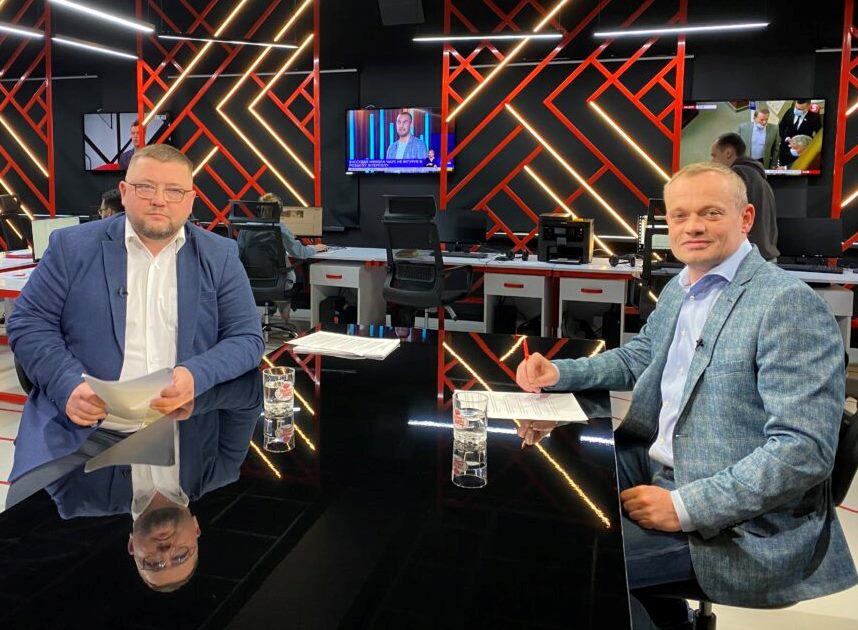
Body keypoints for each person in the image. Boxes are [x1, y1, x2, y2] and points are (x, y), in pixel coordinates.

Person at [516, 162, 856, 628]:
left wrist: (685, 507)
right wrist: (559, 372)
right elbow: (640, 357)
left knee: (566, 563)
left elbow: (803, 451)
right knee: (541, 499)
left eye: (710, 213)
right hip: (653, 461)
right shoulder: (683, 285)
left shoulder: (786, 304)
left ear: (746, 218)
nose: (692, 226)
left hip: (739, 523)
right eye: (679, 215)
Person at [8, 144, 264, 479]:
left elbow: (246, 338)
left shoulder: (220, 255)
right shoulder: (71, 247)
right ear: (125, 192)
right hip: (82, 433)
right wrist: (66, 384)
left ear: (190, 200)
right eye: (146, 187)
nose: (159, 200)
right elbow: (29, 323)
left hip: (184, 426)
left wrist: (195, 375)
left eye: (174, 190)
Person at [236, 192, 328, 324]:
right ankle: (285, 321)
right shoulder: (279, 227)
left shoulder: (246, 227)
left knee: (277, 269)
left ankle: (272, 309)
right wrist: (316, 248)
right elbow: (300, 253)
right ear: (279, 210)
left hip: (250, 281)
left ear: (259, 209)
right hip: (277, 281)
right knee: (286, 270)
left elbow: (238, 254)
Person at [710, 132, 779, 260]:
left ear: (728, 153)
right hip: (764, 257)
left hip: (746, 260)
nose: (712, 162)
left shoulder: (736, 175)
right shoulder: (760, 179)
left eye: (714, 156)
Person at [778, 100, 822, 167]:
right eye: (796, 107)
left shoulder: (814, 117)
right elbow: (781, 127)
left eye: (800, 109)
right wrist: (786, 138)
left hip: (802, 153)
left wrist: (808, 146)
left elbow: (819, 135)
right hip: (785, 150)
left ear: (808, 107)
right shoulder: (790, 111)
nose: (796, 110)